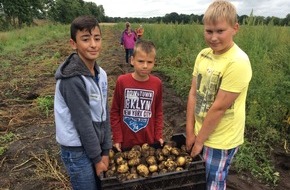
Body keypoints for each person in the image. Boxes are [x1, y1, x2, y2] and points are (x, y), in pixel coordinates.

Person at [185, 1, 252, 189]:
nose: (213, 37)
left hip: (221, 139)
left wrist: (199, 141)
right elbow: (193, 94)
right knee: (198, 180)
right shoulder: (203, 55)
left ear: (235, 28)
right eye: (209, 31)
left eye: (220, 31)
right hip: (200, 131)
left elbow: (219, 107)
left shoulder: (237, 61)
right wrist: (190, 131)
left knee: (213, 182)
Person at [54, 15, 112, 190]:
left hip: (95, 145)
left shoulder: (101, 74)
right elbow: (83, 123)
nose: (93, 45)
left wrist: (106, 150)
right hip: (77, 151)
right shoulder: (71, 79)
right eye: (86, 39)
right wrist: (97, 158)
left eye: (97, 38)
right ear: (74, 44)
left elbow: (104, 111)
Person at [110, 40, 164, 151]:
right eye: (140, 61)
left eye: (149, 62)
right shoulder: (122, 81)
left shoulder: (157, 83)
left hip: (148, 142)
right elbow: (115, 111)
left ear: (154, 62)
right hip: (126, 141)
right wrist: (117, 137)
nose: (145, 66)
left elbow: (158, 112)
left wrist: (158, 135)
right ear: (132, 60)